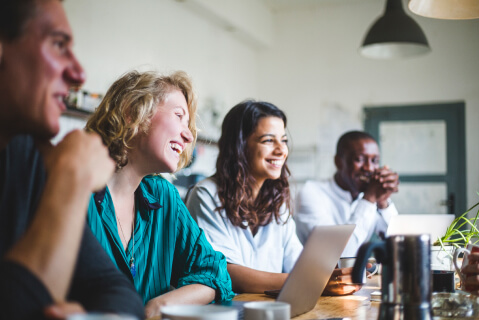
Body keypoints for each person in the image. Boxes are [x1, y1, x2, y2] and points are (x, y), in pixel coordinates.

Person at [0, 1, 144, 319]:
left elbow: (118, 290)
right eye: (58, 44)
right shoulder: (57, 165)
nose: (78, 74)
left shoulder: (26, 155)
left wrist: (92, 314)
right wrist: (70, 179)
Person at [85, 70, 234, 318]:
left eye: (189, 126)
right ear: (133, 113)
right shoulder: (77, 189)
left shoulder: (162, 196)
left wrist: (159, 306)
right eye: (178, 117)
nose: (188, 136)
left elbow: (215, 272)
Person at [186, 100, 360, 295]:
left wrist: (332, 275)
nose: (281, 150)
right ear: (240, 146)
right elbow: (227, 273)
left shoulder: (277, 201)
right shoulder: (205, 195)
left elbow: (297, 263)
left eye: (284, 140)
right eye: (268, 140)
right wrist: (314, 281)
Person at [295, 131, 400, 257]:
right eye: (359, 159)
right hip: (318, 276)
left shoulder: (367, 195)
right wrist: (370, 198)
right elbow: (336, 255)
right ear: (338, 162)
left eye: (374, 160)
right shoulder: (311, 193)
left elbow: (399, 245)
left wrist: (383, 201)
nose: (369, 168)